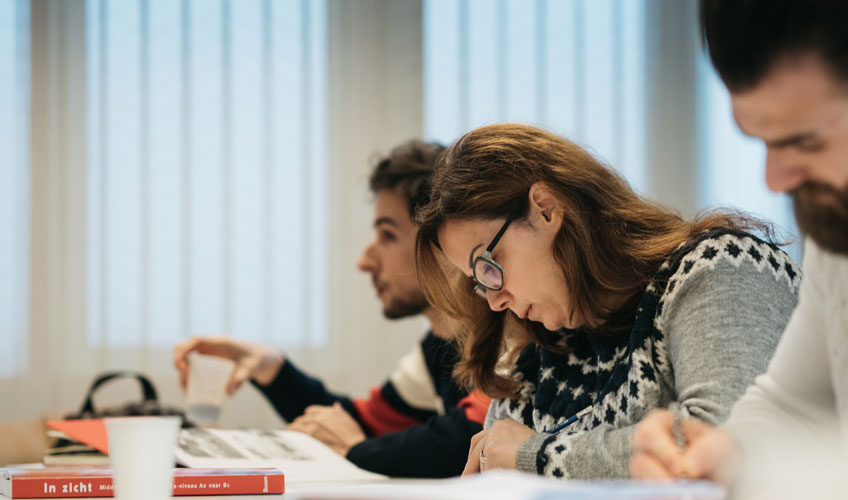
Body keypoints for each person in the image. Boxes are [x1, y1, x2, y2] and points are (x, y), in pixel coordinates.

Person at [413, 123, 801, 479]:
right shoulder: (547, 348)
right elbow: (500, 461)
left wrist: (537, 455)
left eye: (488, 265)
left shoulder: (719, 269)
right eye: (478, 282)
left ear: (546, 210)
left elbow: (719, 445)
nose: (494, 300)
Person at [629, 0, 848, 492]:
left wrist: (753, 469)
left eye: (806, 143)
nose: (774, 180)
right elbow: (791, 404)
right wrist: (717, 453)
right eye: (762, 141)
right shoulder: (839, 228)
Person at [173, 141, 490, 478]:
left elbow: (466, 437)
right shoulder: (438, 348)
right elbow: (355, 423)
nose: (364, 261)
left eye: (387, 234)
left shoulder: (511, 330)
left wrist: (357, 451)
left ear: (444, 242)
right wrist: (269, 367)